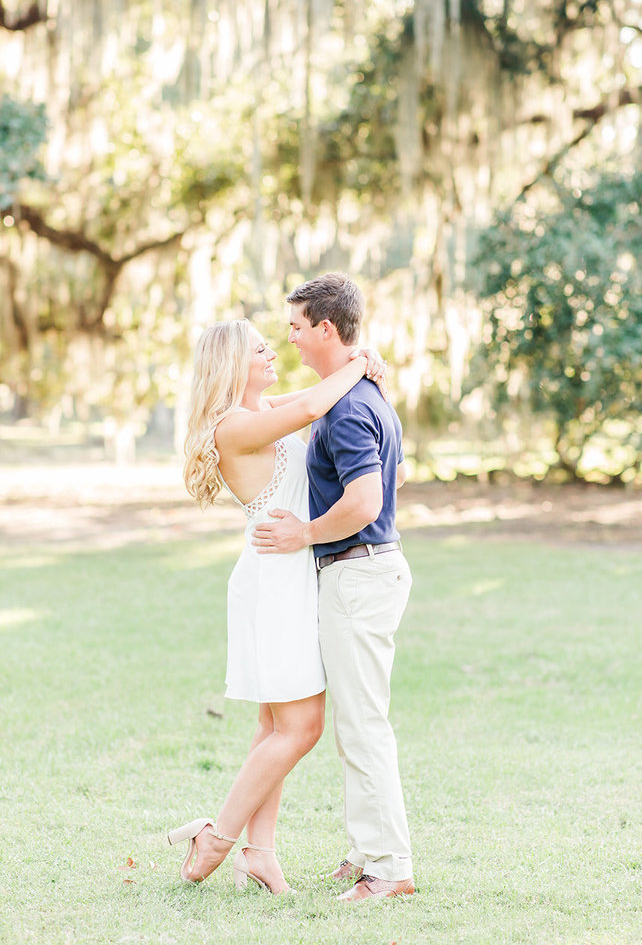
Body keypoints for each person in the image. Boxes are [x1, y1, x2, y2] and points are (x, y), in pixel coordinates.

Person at [169, 318, 385, 893]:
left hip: (287, 572)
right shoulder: (235, 426)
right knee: (302, 726)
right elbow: (313, 406)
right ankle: (216, 839)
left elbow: (307, 398)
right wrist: (360, 362)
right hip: (275, 582)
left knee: (273, 726)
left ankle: (260, 853)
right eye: (259, 349)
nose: (272, 353)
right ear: (230, 365)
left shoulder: (257, 411)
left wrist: (355, 366)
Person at [251, 273, 414, 902]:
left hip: (357, 571)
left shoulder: (347, 407)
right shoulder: (360, 393)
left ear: (325, 327)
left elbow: (367, 498)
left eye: (296, 327)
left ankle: (389, 868)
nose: (289, 338)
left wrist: (305, 533)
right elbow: (397, 473)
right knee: (356, 722)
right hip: (368, 569)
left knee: (363, 725)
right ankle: (366, 851)